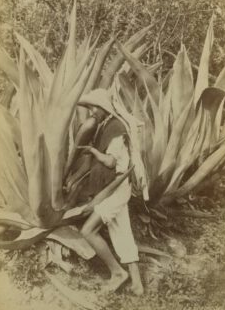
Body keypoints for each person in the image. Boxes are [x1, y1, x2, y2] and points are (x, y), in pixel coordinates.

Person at [76, 89, 144, 295]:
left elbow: (111, 161)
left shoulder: (115, 128)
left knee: (87, 231)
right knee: (122, 233)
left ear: (105, 108)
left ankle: (117, 273)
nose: (92, 111)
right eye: (89, 108)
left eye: (94, 107)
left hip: (116, 188)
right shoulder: (106, 126)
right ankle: (137, 285)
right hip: (115, 187)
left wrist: (92, 152)